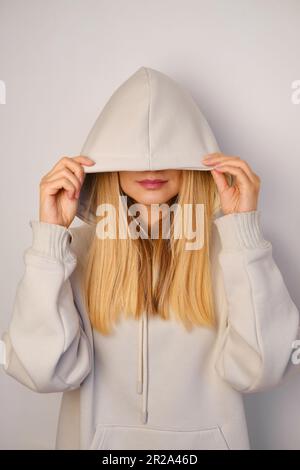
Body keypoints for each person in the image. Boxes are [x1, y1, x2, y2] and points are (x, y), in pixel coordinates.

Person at [2, 67, 299, 450]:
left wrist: (244, 231)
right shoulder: (71, 253)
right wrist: (49, 239)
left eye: (169, 151)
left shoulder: (233, 253)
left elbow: (264, 369)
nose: (151, 166)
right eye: (134, 154)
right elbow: (40, 371)